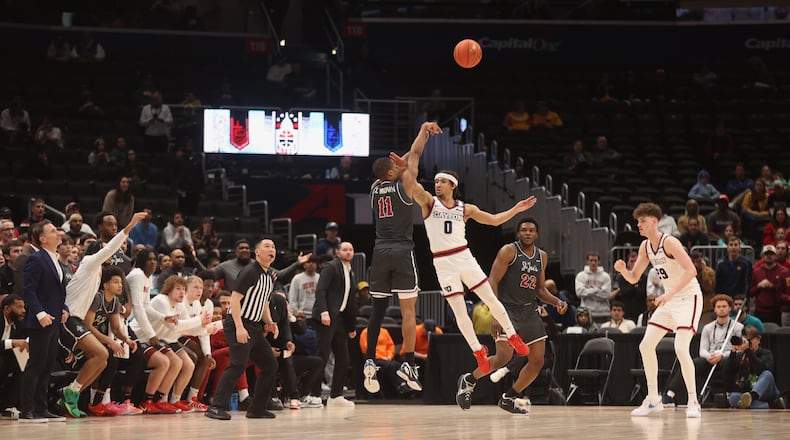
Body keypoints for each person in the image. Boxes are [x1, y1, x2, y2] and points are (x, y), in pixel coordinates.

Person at [409, 167, 536, 377]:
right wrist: (407, 170)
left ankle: (513, 335)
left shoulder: (465, 208)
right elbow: (414, 188)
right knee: (459, 311)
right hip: (442, 262)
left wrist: (516, 209)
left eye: (442, 181)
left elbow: (494, 220)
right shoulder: (429, 202)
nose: (437, 184)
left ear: (453, 185)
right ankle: (478, 350)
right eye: (436, 181)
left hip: (463, 257)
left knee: (490, 299)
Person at [455, 217, 567, 414]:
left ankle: (509, 397)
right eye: (524, 230)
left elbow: (540, 289)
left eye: (531, 230)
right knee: (502, 358)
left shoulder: (542, 256)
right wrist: (495, 314)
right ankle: (469, 380)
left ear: (537, 234)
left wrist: (556, 302)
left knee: (538, 361)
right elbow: (492, 281)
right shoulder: (509, 251)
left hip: (530, 311)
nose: (527, 233)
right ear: (518, 233)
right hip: (507, 310)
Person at [364, 122, 442, 394]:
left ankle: (370, 361)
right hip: (401, 250)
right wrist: (423, 130)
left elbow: (400, 163)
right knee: (409, 311)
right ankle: (408, 363)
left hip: (379, 251)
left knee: (377, 311)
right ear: (391, 171)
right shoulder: (405, 184)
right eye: (395, 167)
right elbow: (416, 154)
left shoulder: (374, 188)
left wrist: (400, 163)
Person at [614, 203, 704, 418]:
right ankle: (654, 399)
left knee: (681, 348)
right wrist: (622, 271)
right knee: (645, 346)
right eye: (637, 222)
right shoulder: (645, 247)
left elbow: (691, 270)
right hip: (669, 300)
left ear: (654, 222)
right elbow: (634, 278)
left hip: (687, 298)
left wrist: (670, 293)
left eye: (642, 221)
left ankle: (693, 401)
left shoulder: (670, 242)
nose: (638, 225)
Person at [58, 212, 146, 417]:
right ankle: (70, 392)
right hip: (70, 318)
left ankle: (72, 393)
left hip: (76, 320)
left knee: (104, 360)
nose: (110, 254)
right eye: (105, 251)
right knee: (102, 354)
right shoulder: (89, 262)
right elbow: (111, 247)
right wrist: (130, 225)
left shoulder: (98, 274)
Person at [205, 239, 280, 421]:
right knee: (238, 364)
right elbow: (235, 300)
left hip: (254, 326)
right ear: (257, 253)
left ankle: (257, 409)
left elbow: (264, 304)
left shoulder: (270, 276)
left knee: (270, 365)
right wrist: (239, 327)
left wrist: (270, 323)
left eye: (273, 247)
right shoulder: (250, 272)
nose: (272, 249)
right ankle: (216, 407)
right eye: (267, 246)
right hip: (238, 322)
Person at [19, 220, 69, 423]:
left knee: (48, 365)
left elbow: (58, 292)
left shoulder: (56, 260)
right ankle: (27, 410)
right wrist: (39, 313)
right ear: (42, 238)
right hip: (41, 321)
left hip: (55, 320)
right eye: (53, 231)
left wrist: (64, 309)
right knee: (36, 365)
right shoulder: (36, 259)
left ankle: (42, 408)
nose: (58, 233)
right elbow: (29, 289)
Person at [313, 242, 357, 406]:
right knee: (322, 356)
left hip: (340, 319)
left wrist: (351, 326)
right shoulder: (331, 267)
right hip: (327, 317)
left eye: (351, 250)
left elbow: (350, 301)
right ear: (338, 253)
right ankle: (314, 394)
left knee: (343, 358)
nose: (348, 252)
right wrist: (324, 311)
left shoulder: (350, 271)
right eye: (344, 249)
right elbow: (321, 290)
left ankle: (336, 395)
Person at [723, 326, 784, 409]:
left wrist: (748, 351)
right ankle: (771, 405)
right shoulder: (740, 356)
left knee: (767, 374)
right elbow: (727, 374)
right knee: (733, 398)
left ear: (758, 340)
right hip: (747, 393)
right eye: (745, 339)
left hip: (767, 392)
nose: (747, 342)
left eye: (750, 339)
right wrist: (733, 352)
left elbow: (761, 369)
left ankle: (752, 397)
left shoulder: (766, 353)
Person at [1, 294, 27, 419]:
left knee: (24, 365)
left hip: (5, 361)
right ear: (7, 309)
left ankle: (7, 406)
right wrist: (14, 342)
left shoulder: (17, 325)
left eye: (24, 307)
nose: (23, 310)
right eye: (19, 307)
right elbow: (14, 343)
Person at [575, 251, 611, 322]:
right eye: (591, 260)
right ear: (587, 262)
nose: (593, 263)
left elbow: (606, 295)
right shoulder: (581, 276)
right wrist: (597, 290)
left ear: (599, 262)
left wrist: (588, 291)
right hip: (586, 313)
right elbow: (579, 293)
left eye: (595, 260)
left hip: (603, 312)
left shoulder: (605, 276)